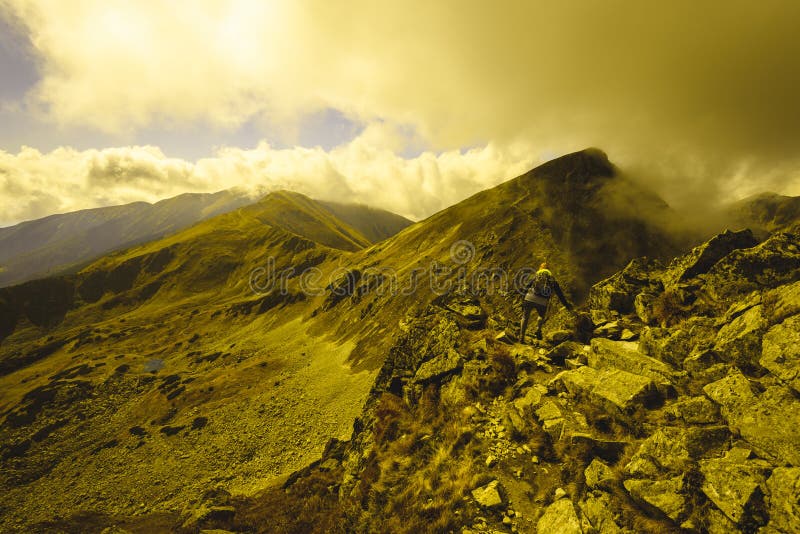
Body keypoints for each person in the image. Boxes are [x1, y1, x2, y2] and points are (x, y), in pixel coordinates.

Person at [519, 262, 572, 342]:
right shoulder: (552, 279)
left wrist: (522, 299)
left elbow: (526, 287)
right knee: (541, 316)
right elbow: (560, 294)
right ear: (548, 269)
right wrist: (566, 305)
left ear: (540, 268)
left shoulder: (536, 276)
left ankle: (521, 337)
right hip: (542, 301)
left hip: (529, 298)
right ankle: (538, 330)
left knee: (525, 317)